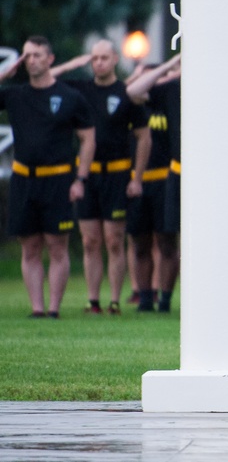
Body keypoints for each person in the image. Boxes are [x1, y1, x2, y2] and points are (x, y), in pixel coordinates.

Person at [51, 40, 152, 315]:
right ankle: (93, 300)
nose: (98, 63)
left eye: (104, 58)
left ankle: (116, 299)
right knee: (90, 240)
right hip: (87, 174)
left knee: (114, 239)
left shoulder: (126, 93)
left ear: (115, 59)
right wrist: (74, 63)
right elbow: (47, 78)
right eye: (94, 58)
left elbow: (144, 137)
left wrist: (137, 178)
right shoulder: (80, 91)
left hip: (117, 174)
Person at [0, 36, 95, 318]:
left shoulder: (70, 97)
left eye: (38, 55)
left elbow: (88, 139)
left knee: (56, 244)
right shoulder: (14, 95)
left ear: (50, 59)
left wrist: (80, 179)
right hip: (24, 179)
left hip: (58, 179)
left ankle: (54, 308)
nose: (32, 60)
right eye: (27, 55)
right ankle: (37, 308)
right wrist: (5, 74)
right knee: (29, 246)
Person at [127, 54, 182, 313]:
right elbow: (133, 90)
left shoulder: (173, 96)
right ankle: (145, 298)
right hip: (142, 181)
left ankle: (165, 300)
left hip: (166, 178)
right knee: (140, 242)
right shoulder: (156, 96)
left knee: (167, 241)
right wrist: (169, 66)